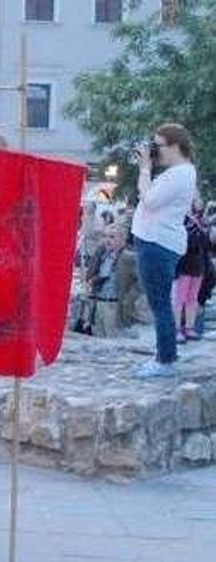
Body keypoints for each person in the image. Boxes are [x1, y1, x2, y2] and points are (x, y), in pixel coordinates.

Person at [131, 123, 198, 378]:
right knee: (161, 302)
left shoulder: (179, 174)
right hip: (157, 242)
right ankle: (166, 353)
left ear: (174, 146)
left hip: (156, 243)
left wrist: (145, 169)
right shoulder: (180, 172)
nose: (154, 150)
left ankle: (165, 359)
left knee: (159, 304)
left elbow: (149, 200)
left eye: (157, 145)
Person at [80, 223, 126, 337]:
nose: (107, 240)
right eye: (105, 236)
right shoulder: (102, 254)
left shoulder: (126, 257)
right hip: (99, 301)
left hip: (113, 303)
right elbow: (92, 274)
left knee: (111, 337)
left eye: (112, 237)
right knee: (98, 336)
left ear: (121, 239)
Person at [174, 204, 210, 342]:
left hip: (198, 264)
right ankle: (177, 328)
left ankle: (189, 326)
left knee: (192, 298)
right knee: (180, 298)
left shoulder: (197, 221)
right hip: (184, 264)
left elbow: (205, 242)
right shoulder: (180, 220)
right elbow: (185, 241)